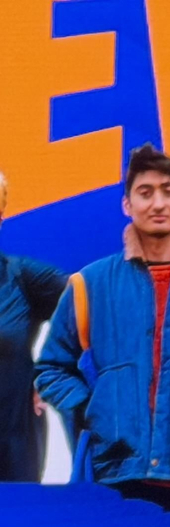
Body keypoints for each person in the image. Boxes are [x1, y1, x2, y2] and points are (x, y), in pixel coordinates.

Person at [34, 145, 170, 517]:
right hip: (117, 470)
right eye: (145, 192)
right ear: (127, 204)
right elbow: (51, 367)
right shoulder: (90, 283)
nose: (158, 202)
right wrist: (94, 407)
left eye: (168, 191)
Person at [0, 172, 65, 482]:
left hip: (14, 444)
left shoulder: (22, 277)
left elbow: (90, 306)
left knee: (17, 526)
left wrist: (52, 373)